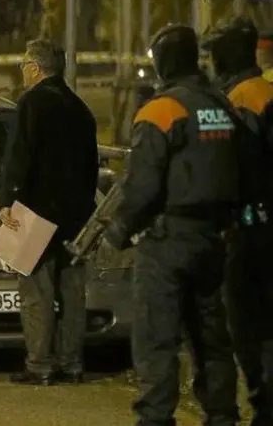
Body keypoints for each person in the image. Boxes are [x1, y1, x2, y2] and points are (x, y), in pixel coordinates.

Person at [102, 24, 241, 425]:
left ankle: (157, 418)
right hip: (215, 239)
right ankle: (223, 416)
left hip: (168, 241)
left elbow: (142, 186)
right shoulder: (222, 105)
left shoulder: (161, 111)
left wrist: (118, 231)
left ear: (161, 63)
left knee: (156, 339)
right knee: (213, 340)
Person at [0, 39, 99, 386]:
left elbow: (19, 158)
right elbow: (91, 167)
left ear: (35, 68)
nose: (22, 70)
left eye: (23, 64)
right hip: (76, 216)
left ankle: (39, 365)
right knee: (72, 293)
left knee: (36, 294)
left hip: (35, 211)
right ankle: (72, 363)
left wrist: (6, 202)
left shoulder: (31, 104)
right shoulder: (81, 108)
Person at [201, 18, 273, 426]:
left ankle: (263, 405)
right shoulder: (261, 92)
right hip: (263, 226)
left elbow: (234, 168)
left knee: (246, 327)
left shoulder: (242, 98)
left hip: (248, 231)